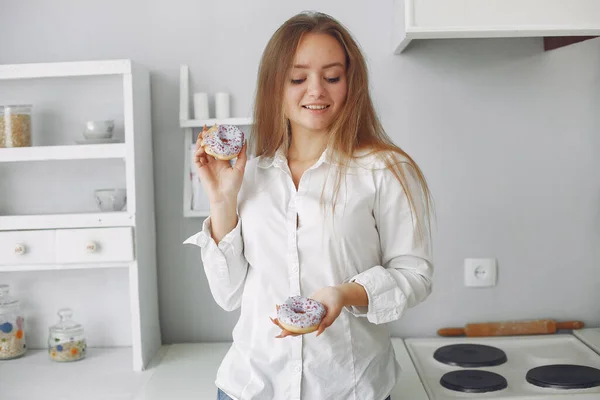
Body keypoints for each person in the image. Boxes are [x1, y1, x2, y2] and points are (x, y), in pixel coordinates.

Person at [184, 11, 434, 400]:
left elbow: (414, 275)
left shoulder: (385, 170)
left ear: (352, 84)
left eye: (332, 77)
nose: (316, 90)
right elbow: (227, 294)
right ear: (274, 87)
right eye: (298, 78)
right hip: (250, 386)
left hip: (349, 386)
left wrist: (345, 293)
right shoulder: (249, 175)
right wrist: (222, 199)